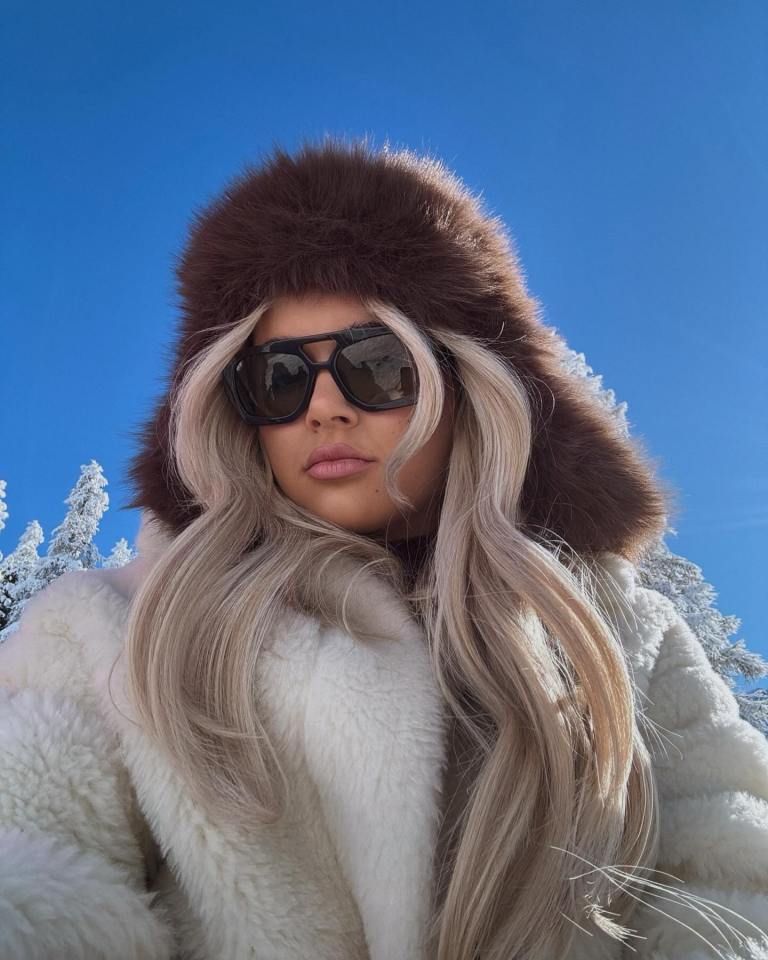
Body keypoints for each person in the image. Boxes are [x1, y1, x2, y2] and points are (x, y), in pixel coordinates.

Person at [1, 137, 767, 960]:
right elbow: (40, 871)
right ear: (236, 414)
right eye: (279, 379)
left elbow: (730, 882)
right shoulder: (112, 633)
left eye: (376, 364)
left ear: (467, 386)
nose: (323, 409)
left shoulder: (627, 638)